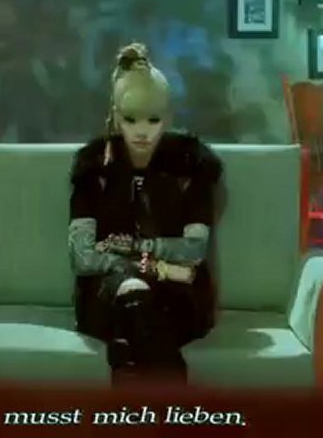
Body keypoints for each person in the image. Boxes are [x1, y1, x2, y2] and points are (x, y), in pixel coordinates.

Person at [67, 42, 223, 385]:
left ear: (168, 119)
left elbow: (194, 250)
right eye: (130, 119)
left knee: (134, 329)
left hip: (178, 293)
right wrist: (140, 267)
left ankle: (137, 408)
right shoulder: (93, 170)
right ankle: (176, 410)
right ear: (115, 117)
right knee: (131, 297)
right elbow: (83, 257)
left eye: (153, 120)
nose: (142, 131)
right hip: (107, 293)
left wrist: (135, 249)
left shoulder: (190, 167)